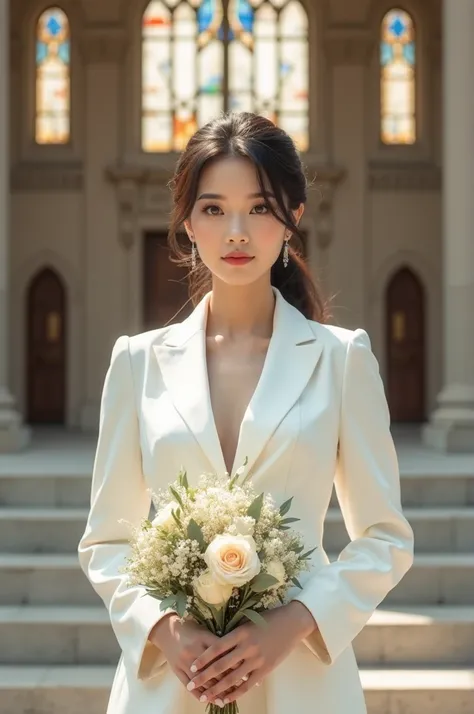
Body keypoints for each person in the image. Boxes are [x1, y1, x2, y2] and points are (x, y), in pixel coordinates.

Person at [78, 112, 414, 714]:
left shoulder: (340, 361)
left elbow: (385, 538)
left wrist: (293, 625)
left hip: (305, 681)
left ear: (293, 219)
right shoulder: (136, 363)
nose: (237, 231)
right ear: (186, 223)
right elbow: (106, 540)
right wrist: (163, 632)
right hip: (172, 684)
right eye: (213, 209)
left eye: (259, 208)